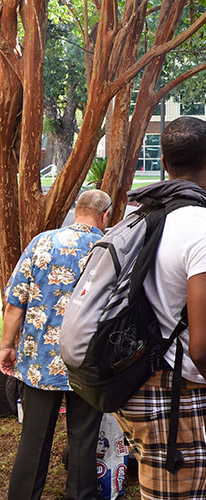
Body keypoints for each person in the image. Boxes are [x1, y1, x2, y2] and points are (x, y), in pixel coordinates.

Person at [114, 116, 206, 499]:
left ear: (163, 161)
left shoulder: (143, 214)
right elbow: (205, 349)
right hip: (175, 392)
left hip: (132, 381)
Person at [1, 189, 111, 500]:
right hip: (87, 360)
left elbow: (14, 303)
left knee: (33, 440)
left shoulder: (43, 242)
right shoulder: (107, 248)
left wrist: (6, 345)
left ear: (77, 210)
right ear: (105, 216)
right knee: (83, 440)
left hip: (39, 359)